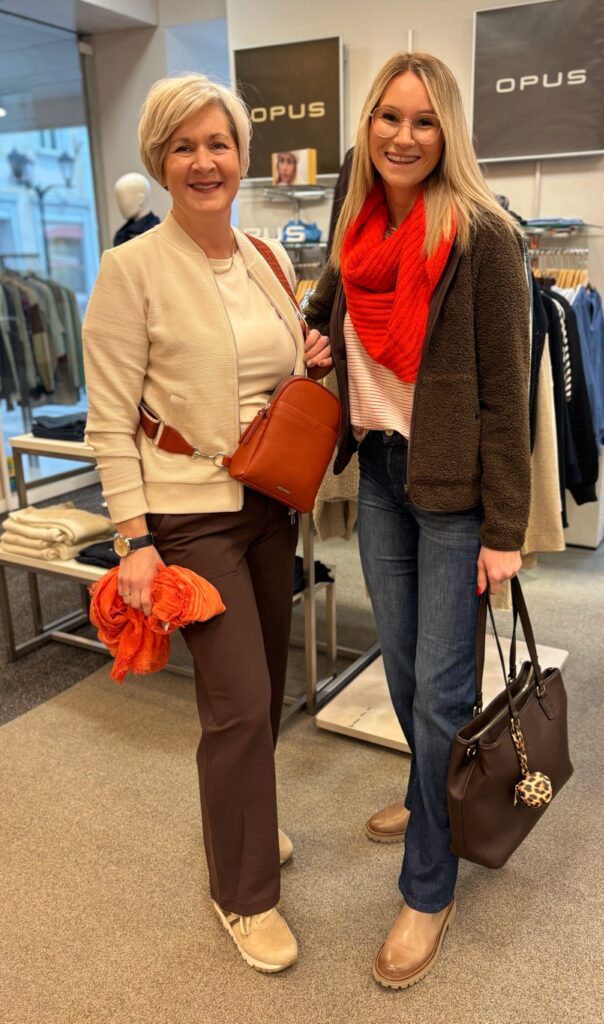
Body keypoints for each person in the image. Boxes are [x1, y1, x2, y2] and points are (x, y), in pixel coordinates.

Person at [82, 73, 332, 975]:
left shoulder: (266, 256)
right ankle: (242, 891)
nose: (203, 161)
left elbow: (270, 365)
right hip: (187, 517)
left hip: (267, 501)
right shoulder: (131, 269)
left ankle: (245, 823)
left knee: (262, 690)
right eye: (183, 146)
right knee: (236, 705)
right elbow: (108, 420)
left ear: (241, 155)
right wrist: (134, 541)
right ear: (159, 159)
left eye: (217, 144)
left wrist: (307, 355)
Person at [304, 51, 531, 989]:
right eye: (389, 118)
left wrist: (505, 531)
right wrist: (315, 327)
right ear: (367, 125)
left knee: (440, 695)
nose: (404, 136)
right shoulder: (354, 212)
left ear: (449, 133)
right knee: (400, 671)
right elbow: (332, 295)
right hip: (381, 475)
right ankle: (427, 784)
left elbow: (506, 397)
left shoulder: (484, 236)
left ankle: (428, 887)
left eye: (424, 120)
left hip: (453, 493)